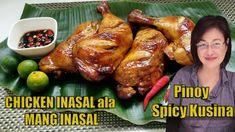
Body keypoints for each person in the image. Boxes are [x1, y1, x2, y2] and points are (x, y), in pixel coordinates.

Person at [166, 15, 235, 132]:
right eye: (202, 44)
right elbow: (172, 124)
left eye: (216, 44)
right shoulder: (182, 76)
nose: (209, 51)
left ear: (226, 44)